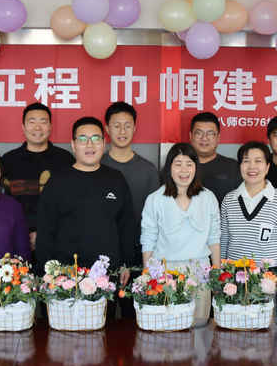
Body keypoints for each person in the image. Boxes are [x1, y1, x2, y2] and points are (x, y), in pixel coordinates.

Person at [36, 116, 137, 280]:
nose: (90, 145)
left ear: (103, 143)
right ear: (73, 145)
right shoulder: (57, 181)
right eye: (83, 139)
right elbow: (45, 231)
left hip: (108, 275)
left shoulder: (116, 179)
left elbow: (126, 226)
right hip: (66, 276)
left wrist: (126, 263)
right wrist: (47, 271)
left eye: (96, 139)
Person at [140, 143, 220, 321]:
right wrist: (148, 276)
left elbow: (214, 239)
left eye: (189, 164)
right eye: (178, 164)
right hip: (166, 274)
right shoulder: (155, 199)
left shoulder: (208, 198)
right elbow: (148, 239)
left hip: (200, 273)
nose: (184, 170)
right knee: (168, 328)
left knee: (199, 327)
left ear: (196, 168)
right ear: (169, 168)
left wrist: (217, 275)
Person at [220, 141, 277, 280]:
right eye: (246, 161)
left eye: (258, 161)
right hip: (234, 277)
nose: (252, 167)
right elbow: (223, 241)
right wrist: (221, 275)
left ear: (267, 166)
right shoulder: (229, 200)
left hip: (269, 278)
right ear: (240, 166)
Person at [2, 103, 74, 251]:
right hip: (17, 239)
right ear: (23, 127)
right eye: (32, 122)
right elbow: (3, 204)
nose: (37, 127)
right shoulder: (8, 160)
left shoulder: (65, 159)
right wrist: (23, 233)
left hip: (57, 240)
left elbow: (71, 203)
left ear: (50, 126)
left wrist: (44, 234)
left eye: (43, 122)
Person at [101, 102, 160, 237]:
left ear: (134, 128)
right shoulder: (97, 165)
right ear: (107, 129)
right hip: (103, 241)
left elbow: (155, 215)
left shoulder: (148, 170)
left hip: (139, 243)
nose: (122, 131)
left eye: (127, 126)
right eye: (117, 126)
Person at [188, 112, 240, 204]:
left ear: (218, 138)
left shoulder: (234, 167)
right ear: (190, 136)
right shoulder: (178, 167)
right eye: (199, 133)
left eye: (210, 134)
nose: (204, 138)